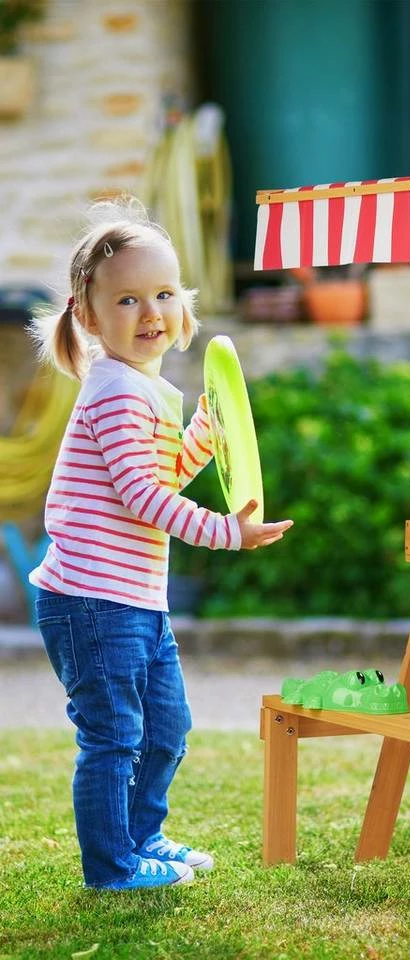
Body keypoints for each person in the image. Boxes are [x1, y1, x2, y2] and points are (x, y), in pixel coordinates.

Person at [28, 197, 294, 890]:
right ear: (87, 316)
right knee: (115, 738)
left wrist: (212, 429)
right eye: (127, 299)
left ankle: (141, 837)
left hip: (132, 599)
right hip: (92, 602)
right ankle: (114, 867)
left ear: (183, 306)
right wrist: (229, 535)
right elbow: (147, 500)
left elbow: (159, 473)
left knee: (166, 727)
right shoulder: (115, 391)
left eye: (164, 294)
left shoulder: (149, 390)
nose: (150, 312)